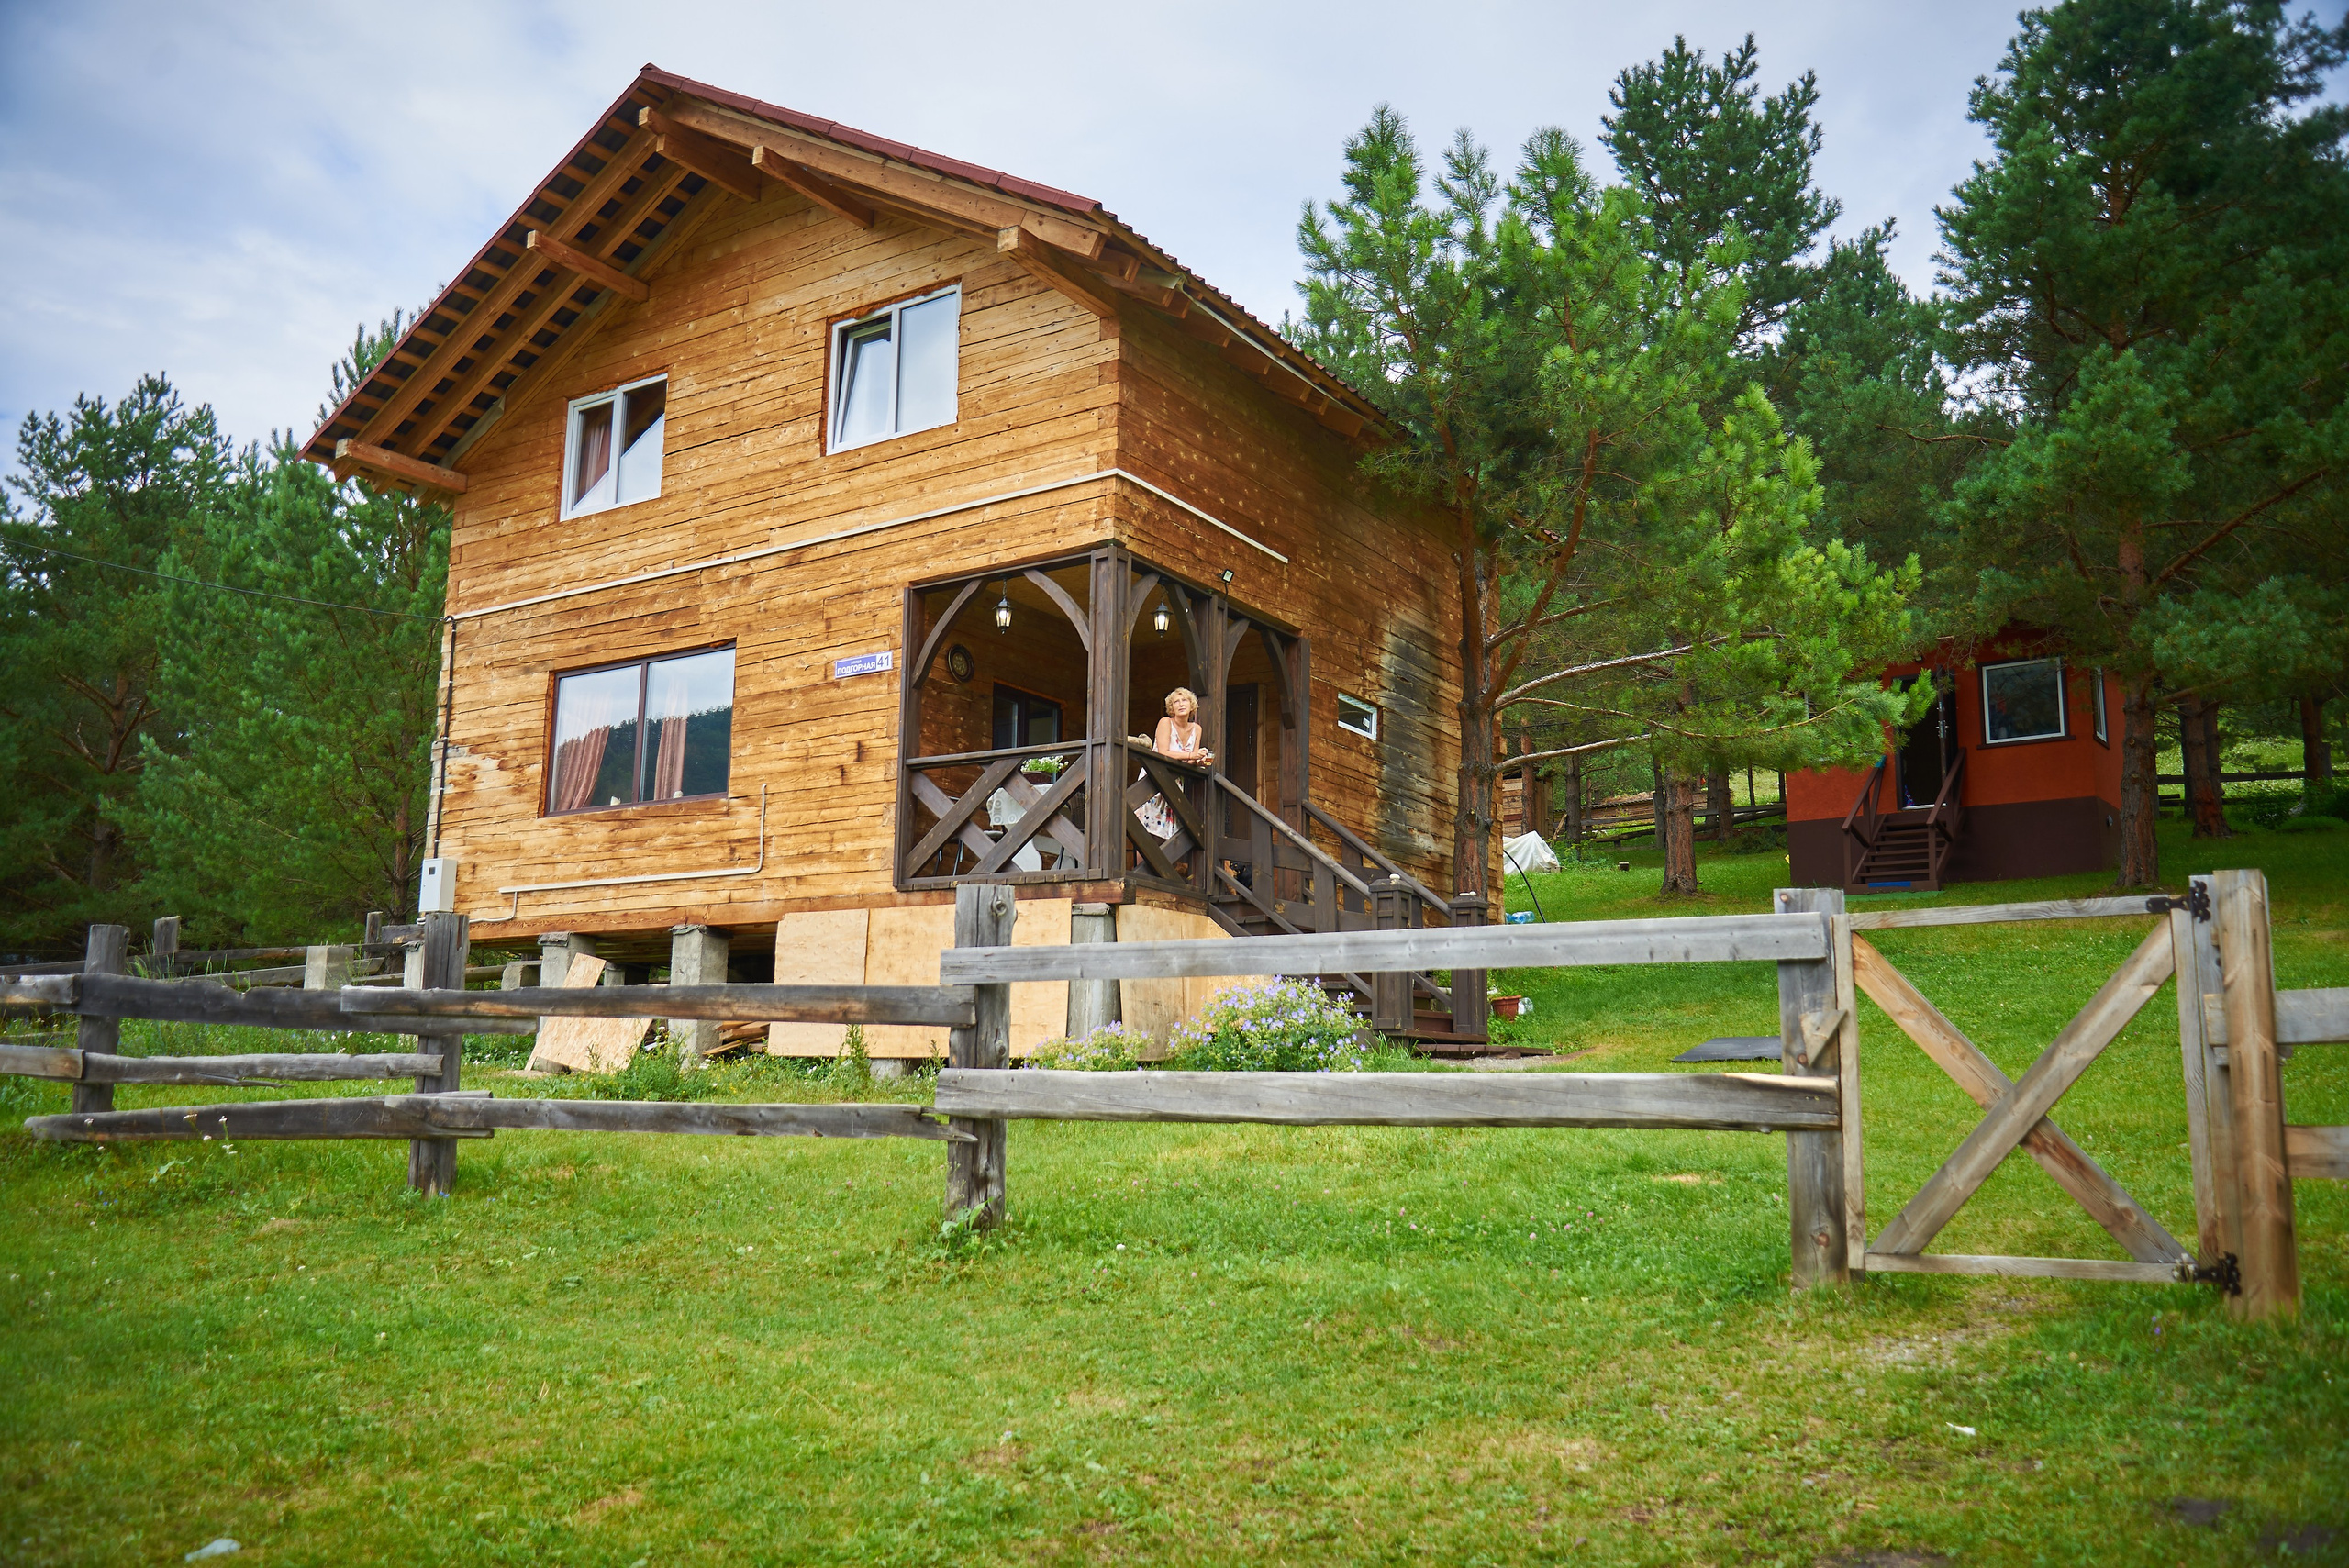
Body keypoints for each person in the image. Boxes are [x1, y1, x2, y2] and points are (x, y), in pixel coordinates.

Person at [1136, 687, 1211, 840]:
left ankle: (1162, 865)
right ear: (1172, 708)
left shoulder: (1197, 729)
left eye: (1184, 700)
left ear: (1191, 705)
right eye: (1176, 702)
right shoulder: (1165, 723)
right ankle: (1141, 865)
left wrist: (1198, 759)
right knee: (1145, 827)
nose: (1181, 704)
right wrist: (1191, 755)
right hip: (1155, 777)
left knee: (1167, 830)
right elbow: (1163, 752)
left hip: (1175, 782)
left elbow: (1190, 760)